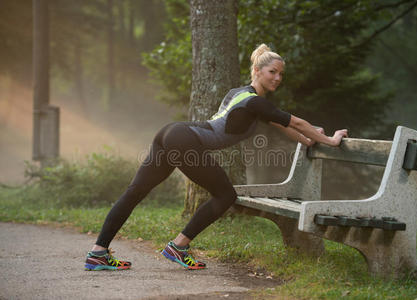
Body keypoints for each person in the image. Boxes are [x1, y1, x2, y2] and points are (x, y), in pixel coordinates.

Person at [84, 43, 348, 271]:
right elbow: (297, 122)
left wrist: (309, 139)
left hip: (172, 133)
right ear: (257, 71)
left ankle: (98, 253)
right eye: (272, 72)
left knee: (134, 193)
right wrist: (331, 140)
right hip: (185, 140)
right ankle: (178, 247)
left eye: (281, 74)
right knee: (226, 196)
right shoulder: (256, 102)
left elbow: (284, 126)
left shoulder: (239, 94)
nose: (278, 78)